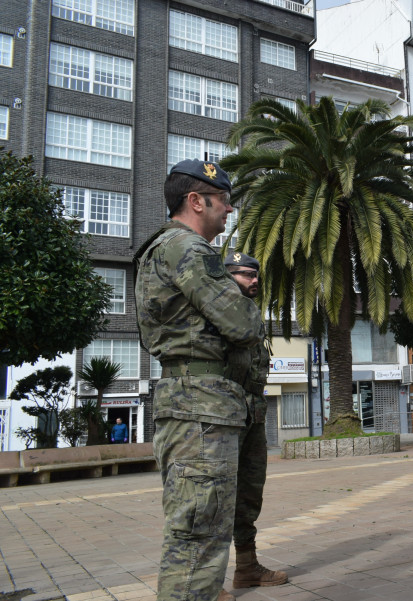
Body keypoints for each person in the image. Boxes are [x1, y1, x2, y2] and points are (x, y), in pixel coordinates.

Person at [134, 159, 264, 601]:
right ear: (196, 201)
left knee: (198, 528)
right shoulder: (188, 249)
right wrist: (247, 310)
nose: (229, 210)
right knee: (198, 535)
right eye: (223, 201)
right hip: (201, 407)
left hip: (196, 403)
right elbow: (243, 323)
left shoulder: (165, 248)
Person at [223, 252, 288, 589]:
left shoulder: (249, 312)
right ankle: (205, 582)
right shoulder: (217, 308)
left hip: (252, 412)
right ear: (228, 275)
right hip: (221, 413)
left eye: (256, 274)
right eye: (246, 274)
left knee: (249, 493)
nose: (254, 280)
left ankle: (246, 567)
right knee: (214, 497)